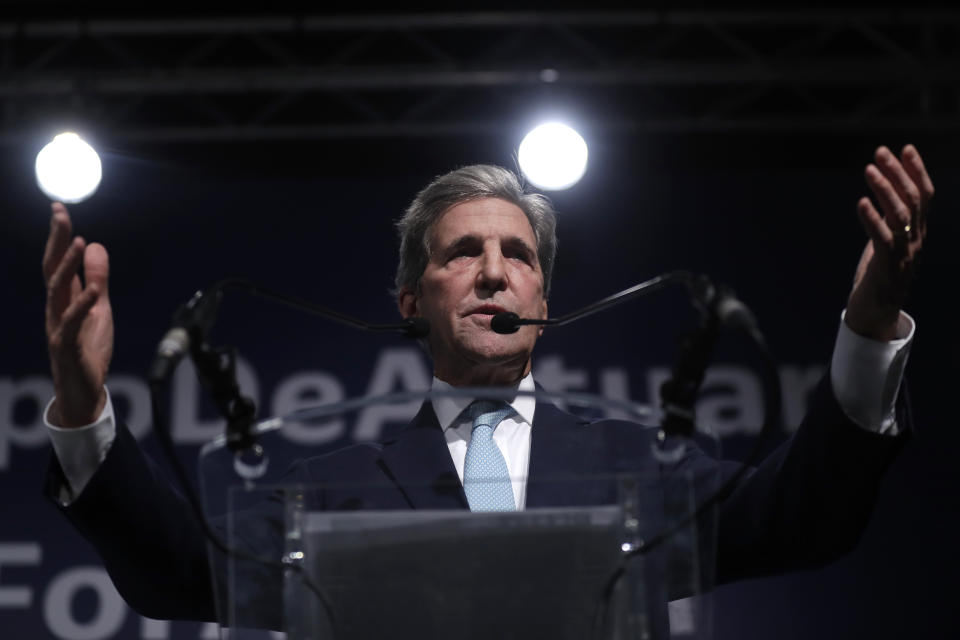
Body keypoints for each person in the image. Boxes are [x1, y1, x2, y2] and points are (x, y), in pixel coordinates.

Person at [42, 146, 933, 627]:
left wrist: (869, 326)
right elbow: (177, 575)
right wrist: (84, 408)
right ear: (411, 300)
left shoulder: (634, 462)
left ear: (545, 297)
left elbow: (806, 516)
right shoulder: (334, 488)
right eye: (462, 253)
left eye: (519, 256)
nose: (494, 272)